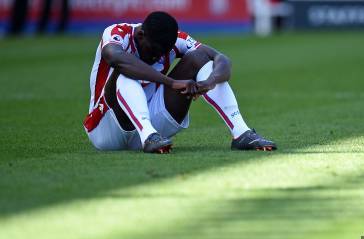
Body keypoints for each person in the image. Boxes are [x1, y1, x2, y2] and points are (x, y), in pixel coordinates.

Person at [83, 11, 276, 153]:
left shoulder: (175, 41)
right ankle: (148, 135)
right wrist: (171, 82)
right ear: (141, 35)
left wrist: (209, 82)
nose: (158, 56)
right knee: (125, 70)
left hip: (154, 124)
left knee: (198, 58)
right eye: (155, 50)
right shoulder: (118, 32)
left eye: (163, 53)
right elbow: (115, 57)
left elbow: (221, 59)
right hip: (106, 127)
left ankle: (241, 132)